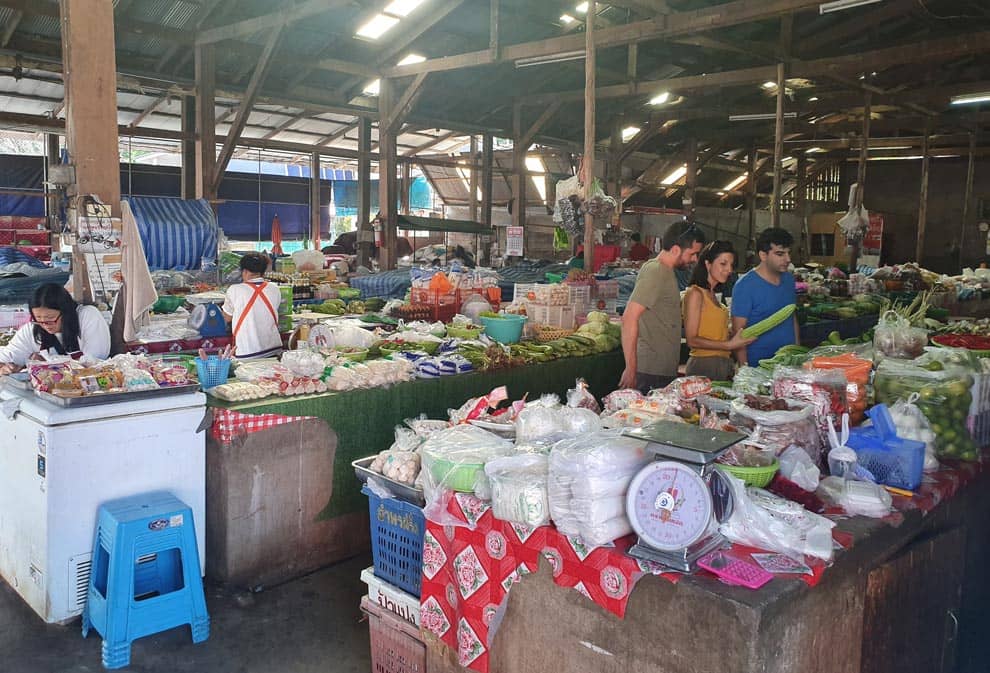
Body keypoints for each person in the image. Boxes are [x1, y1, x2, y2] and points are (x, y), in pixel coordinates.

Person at [619, 221, 707, 392]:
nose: (695, 259)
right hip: (649, 371)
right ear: (675, 249)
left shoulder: (667, 271)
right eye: (693, 254)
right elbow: (629, 318)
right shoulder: (655, 271)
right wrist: (631, 368)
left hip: (661, 369)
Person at [682, 241, 755, 381]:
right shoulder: (696, 293)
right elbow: (692, 340)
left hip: (722, 363)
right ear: (708, 264)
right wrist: (729, 345)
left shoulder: (714, 295)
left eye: (731, 265)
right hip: (704, 365)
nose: (729, 269)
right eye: (723, 264)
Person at [0, 283, 111, 374]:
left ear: (65, 312)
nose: (45, 324)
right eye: (38, 318)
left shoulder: (88, 316)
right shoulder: (33, 328)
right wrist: (6, 368)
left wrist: (48, 365)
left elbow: (94, 360)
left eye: (50, 318)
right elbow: (6, 357)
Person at [731, 228, 799, 367]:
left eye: (788, 253)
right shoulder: (744, 286)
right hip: (758, 366)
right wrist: (745, 371)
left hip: (788, 363)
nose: (788, 259)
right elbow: (738, 333)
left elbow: (792, 319)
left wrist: (798, 353)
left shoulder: (789, 280)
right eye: (780, 254)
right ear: (763, 255)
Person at [221, 252, 283, 360]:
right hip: (273, 349)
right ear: (263, 272)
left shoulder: (234, 290)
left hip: (248, 351)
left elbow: (227, 318)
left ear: (244, 271)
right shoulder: (275, 288)